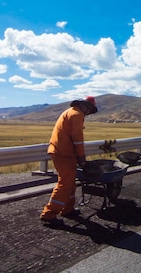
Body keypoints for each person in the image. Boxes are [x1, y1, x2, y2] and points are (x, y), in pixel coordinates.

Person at [40, 96, 98, 224]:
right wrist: (82, 157)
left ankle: (67, 208)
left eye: (90, 109)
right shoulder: (77, 115)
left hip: (61, 152)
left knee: (70, 182)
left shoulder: (69, 112)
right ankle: (49, 213)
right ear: (83, 105)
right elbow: (77, 138)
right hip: (63, 153)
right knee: (65, 183)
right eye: (88, 108)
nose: (88, 112)